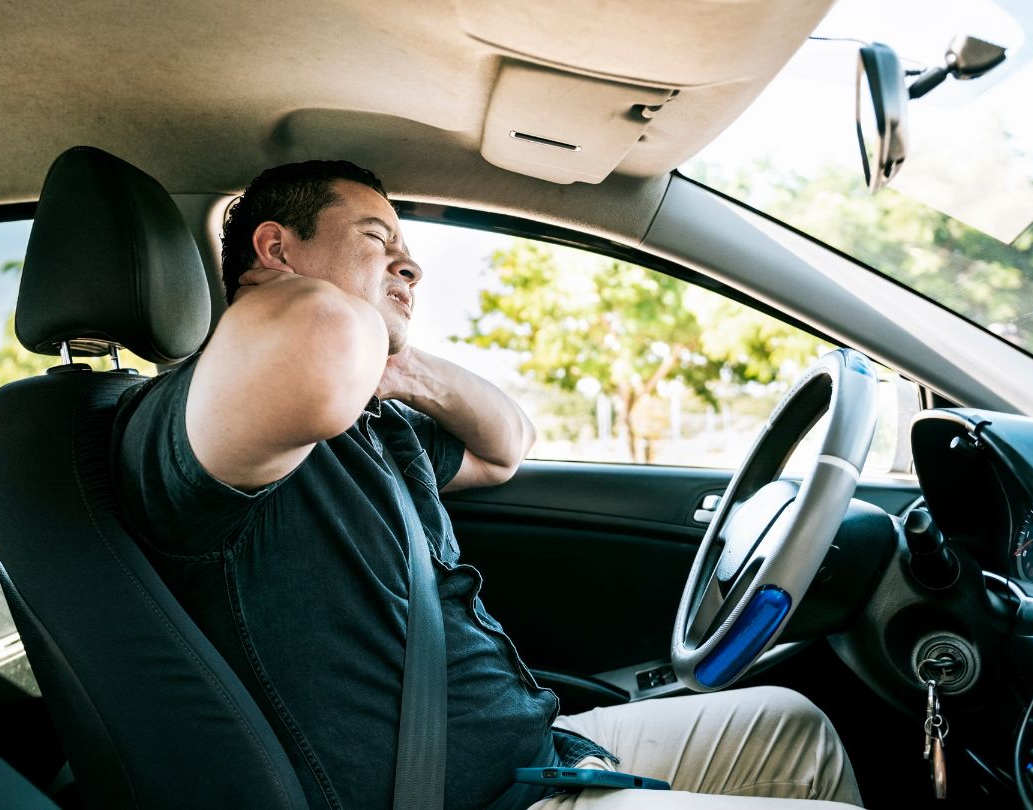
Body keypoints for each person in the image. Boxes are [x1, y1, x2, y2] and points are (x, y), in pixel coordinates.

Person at [117, 161, 862, 810]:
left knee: (794, 729)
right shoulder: (196, 422)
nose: (409, 268)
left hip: (532, 750)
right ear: (276, 249)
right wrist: (361, 324)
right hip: (468, 797)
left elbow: (507, 446)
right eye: (377, 240)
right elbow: (316, 337)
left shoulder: (370, 426)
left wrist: (403, 368)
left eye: (408, 254)